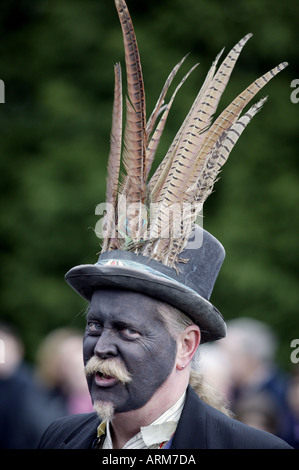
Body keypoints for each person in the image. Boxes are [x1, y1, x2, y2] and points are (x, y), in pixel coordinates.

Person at [38, 0, 291, 449]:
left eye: (128, 330)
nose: (100, 349)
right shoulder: (58, 439)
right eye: (94, 326)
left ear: (187, 347)